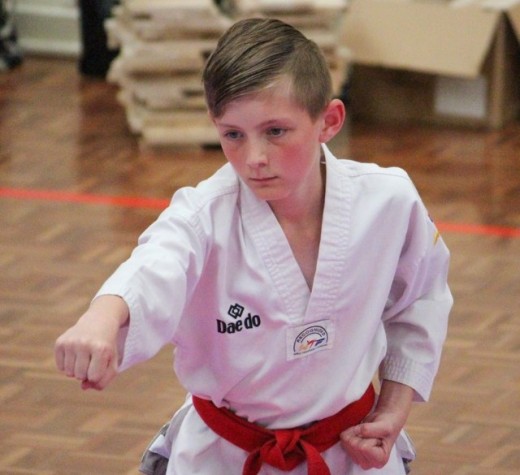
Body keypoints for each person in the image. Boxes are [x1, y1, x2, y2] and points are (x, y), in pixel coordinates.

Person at [54, 18, 453, 475]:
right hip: (224, 456)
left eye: (276, 131)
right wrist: (102, 317)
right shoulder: (203, 216)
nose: (254, 159)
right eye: (233, 135)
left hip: (350, 451)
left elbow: (420, 299)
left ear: (329, 121)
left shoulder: (389, 201)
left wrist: (393, 407)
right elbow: (155, 263)